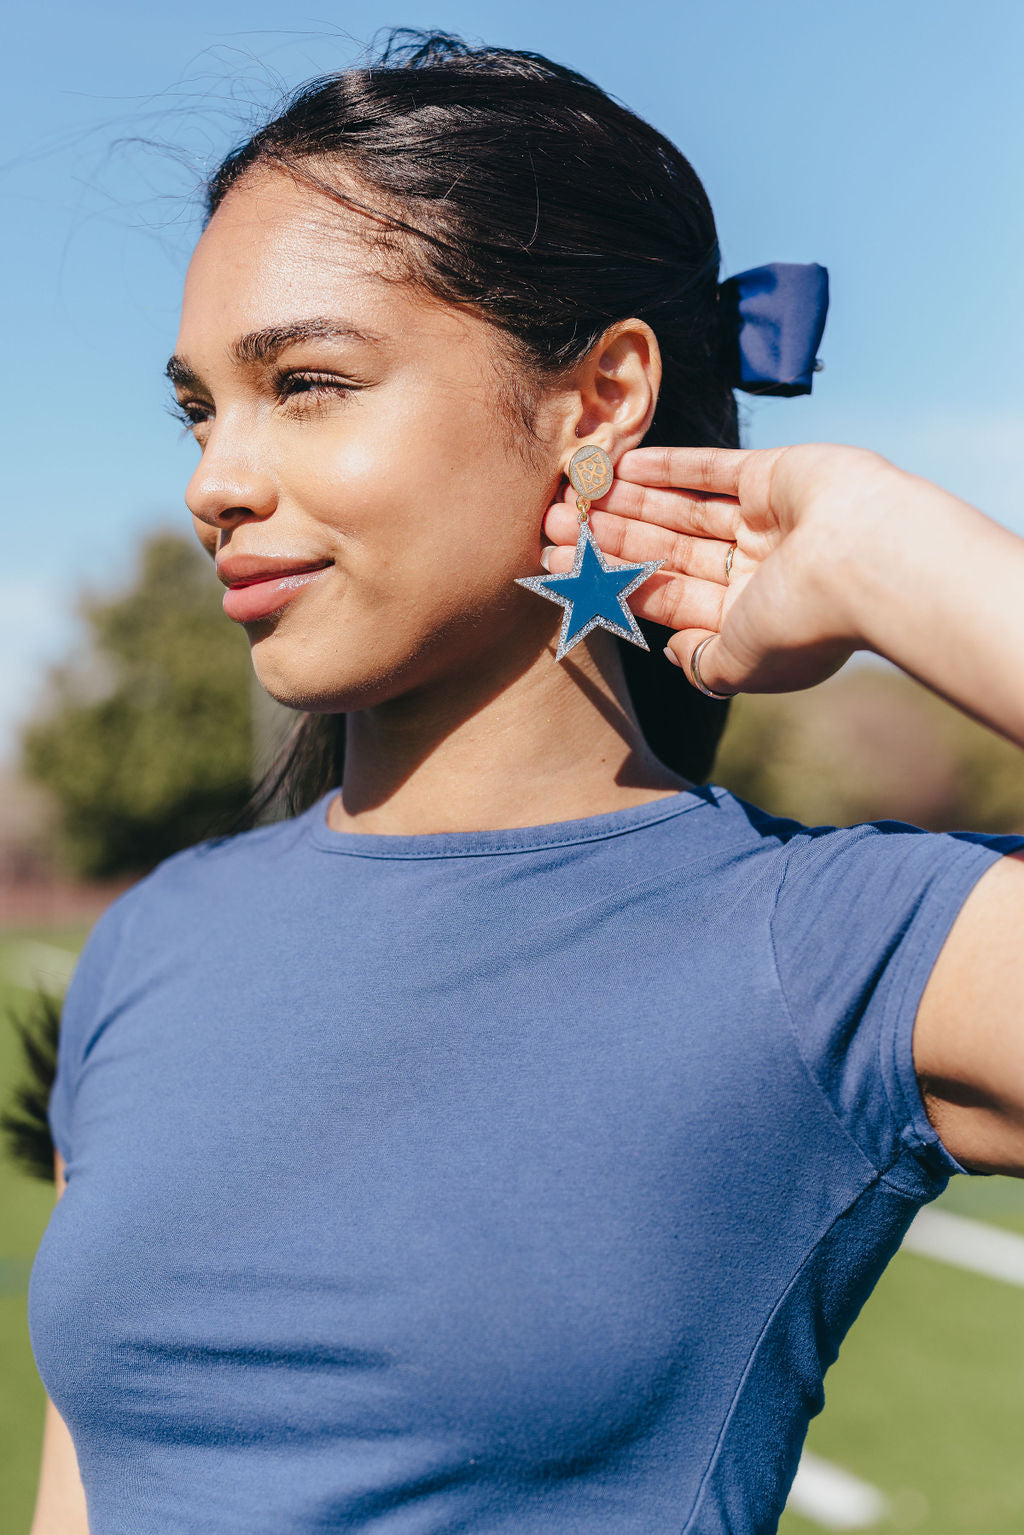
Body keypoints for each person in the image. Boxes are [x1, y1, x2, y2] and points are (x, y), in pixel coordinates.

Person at [26, 30, 1024, 1535]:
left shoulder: (832, 948)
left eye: (305, 381)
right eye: (198, 406)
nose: (213, 480)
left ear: (600, 395)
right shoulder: (152, 945)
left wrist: (911, 565)